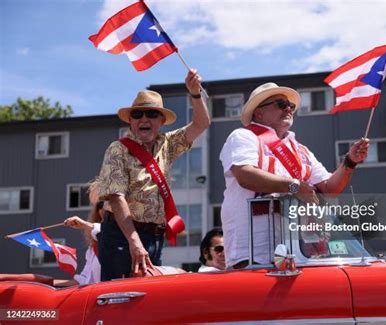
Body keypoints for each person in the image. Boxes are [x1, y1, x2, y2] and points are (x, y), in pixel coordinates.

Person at [219, 82, 369, 269]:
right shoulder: (243, 136)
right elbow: (245, 175)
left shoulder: (300, 149)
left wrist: (349, 162)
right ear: (259, 113)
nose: (288, 109)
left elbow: (329, 189)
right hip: (253, 251)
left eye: (291, 106)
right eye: (281, 104)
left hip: (298, 252)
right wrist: (295, 186)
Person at [96, 69, 210, 280]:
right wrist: (134, 242)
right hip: (123, 237)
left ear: (161, 121)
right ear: (130, 121)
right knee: (120, 299)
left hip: (154, 237)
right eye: (137, 115)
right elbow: (115, 196)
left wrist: (195, 94)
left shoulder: (166, 144)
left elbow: (202, 124)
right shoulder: (118, 149)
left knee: (147, 300)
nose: (144, 119)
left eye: (151, 114)